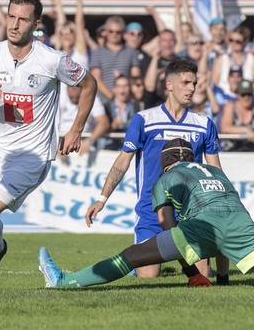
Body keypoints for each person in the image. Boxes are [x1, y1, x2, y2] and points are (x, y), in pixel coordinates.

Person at [39, 138, 254, 290]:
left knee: (130, 256)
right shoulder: (215, 172)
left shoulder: (165, 179)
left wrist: (192, 273)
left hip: (201, 227)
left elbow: (169, 231)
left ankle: (65, 281)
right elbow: (227, 230)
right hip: (240, 224)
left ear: (165, 162)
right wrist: (223, 278)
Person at [0, 0, 97, 288]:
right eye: (11, 16)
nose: (14, 24)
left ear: (35, 23)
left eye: (22, 19)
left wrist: (76, 129)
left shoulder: (52, 60)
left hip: (31, 156)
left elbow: (89, 83)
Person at [84, 59, 223, 278]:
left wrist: (220, 204)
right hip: (151, 212)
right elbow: (122, 162)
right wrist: (102, 199)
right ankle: (142, 266)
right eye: (185, 82)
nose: (192, 88)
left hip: (191, 213)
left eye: (194, 83)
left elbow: (215, 170)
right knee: (148, 277)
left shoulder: (203, 124)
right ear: (169, 84)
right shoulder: (145, 120)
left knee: (202, 277)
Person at [89, 15, 141, 103]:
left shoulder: (132, 52)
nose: (114, 34)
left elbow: (135, 77)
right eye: (111, 31)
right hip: (104, 103)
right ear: (106, 32)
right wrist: (111, 96)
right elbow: (96, 78)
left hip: (126, 102)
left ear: (123, 33)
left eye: (118, 32)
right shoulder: (97, 53)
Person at [220, 79, 254, 148]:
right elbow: (225, 128)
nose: (246, 97)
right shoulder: (230, 106)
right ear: (237, 95)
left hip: (252, 150)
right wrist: (246, 130)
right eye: (243, 94)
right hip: (232, 149)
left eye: (249, 94)